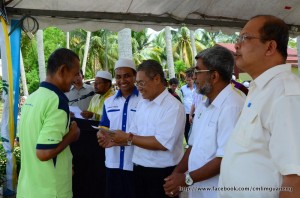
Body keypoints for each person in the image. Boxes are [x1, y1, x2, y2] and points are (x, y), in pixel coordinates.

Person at [219, 15, 300, 198]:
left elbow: (295, 180)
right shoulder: (260, 88)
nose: (237, 45)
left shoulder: (287, 94)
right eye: (238, 39)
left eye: (245, 38)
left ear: (270, 47)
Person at [163, 46, 245, 198]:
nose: (193, 77)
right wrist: (176, 175)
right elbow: (192, 145)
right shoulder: (203, 105)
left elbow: (225, 158)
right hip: (198, 189)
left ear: (214, 76)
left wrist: (186, 179)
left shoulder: (233, 105)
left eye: (197, 72)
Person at [100, 59, 185, 198]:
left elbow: (162, 143)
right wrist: (116, 141)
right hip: (138, 170)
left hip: (162, 174)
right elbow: (134, 135)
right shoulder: (143, 103)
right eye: (137, 83)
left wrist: (127, 138)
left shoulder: (173, 106)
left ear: (157, 79)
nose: (138, 87)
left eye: (141, 83)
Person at [17, 48, 81, 198]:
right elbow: (43, 153)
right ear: (63, 70)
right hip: (51, 191)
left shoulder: (32, 98)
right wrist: (72, 135)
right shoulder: (57, 101)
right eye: (75, 73)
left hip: (28, 189)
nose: (76, 79)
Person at [98, 58, 141, 198]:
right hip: (112, 162)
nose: (122, 80)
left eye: (127, 75)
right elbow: (103, 126)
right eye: (118, 77)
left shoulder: (144, 100)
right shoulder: (108, 102)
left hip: (136, 162)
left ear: (135, 77)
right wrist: (100, 134)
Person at [180, 70, 196, 143]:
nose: (188, 81)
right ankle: (187, 142)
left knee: (196, 128)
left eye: (190, 80)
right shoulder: (182, 88)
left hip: (196, 112)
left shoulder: (197, 88)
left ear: (193, 79)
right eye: (187, 80)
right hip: (186, 111)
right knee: (186, 128)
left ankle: (194, 143)